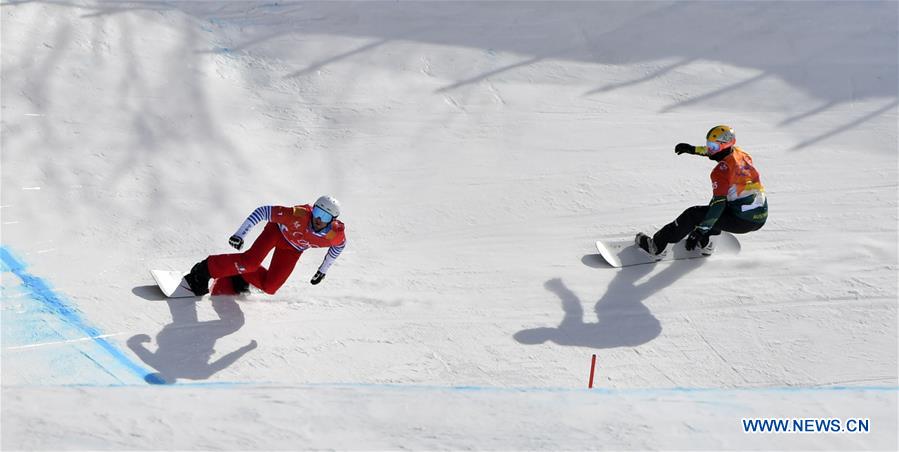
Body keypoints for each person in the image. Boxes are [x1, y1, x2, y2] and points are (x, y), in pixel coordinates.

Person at [635, 125, 767, 259]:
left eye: (713, 147)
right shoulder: (740, 154)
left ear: (725, 146)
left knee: (694, 214)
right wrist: (692, 149)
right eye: (709, 145)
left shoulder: (721, 171)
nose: (709, 149)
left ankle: (657, 247)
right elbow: (713, 153)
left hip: (742, 221)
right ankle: (708, 243)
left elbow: (718, 205)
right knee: (719, 205)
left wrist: (700, 230)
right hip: (759, 218)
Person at [184, 195, 346, 296]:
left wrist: (322, 271)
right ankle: (203, 270)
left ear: (333, 220)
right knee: (250, 262)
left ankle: (238, 274)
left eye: (325, 216)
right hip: (275, 233)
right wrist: (240, 234)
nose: (318, 219)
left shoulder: (334, 234)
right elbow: (263, 211)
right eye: (317, 212)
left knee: (270, 287)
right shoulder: (298, 215)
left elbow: (338, 247)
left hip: (292, 249)